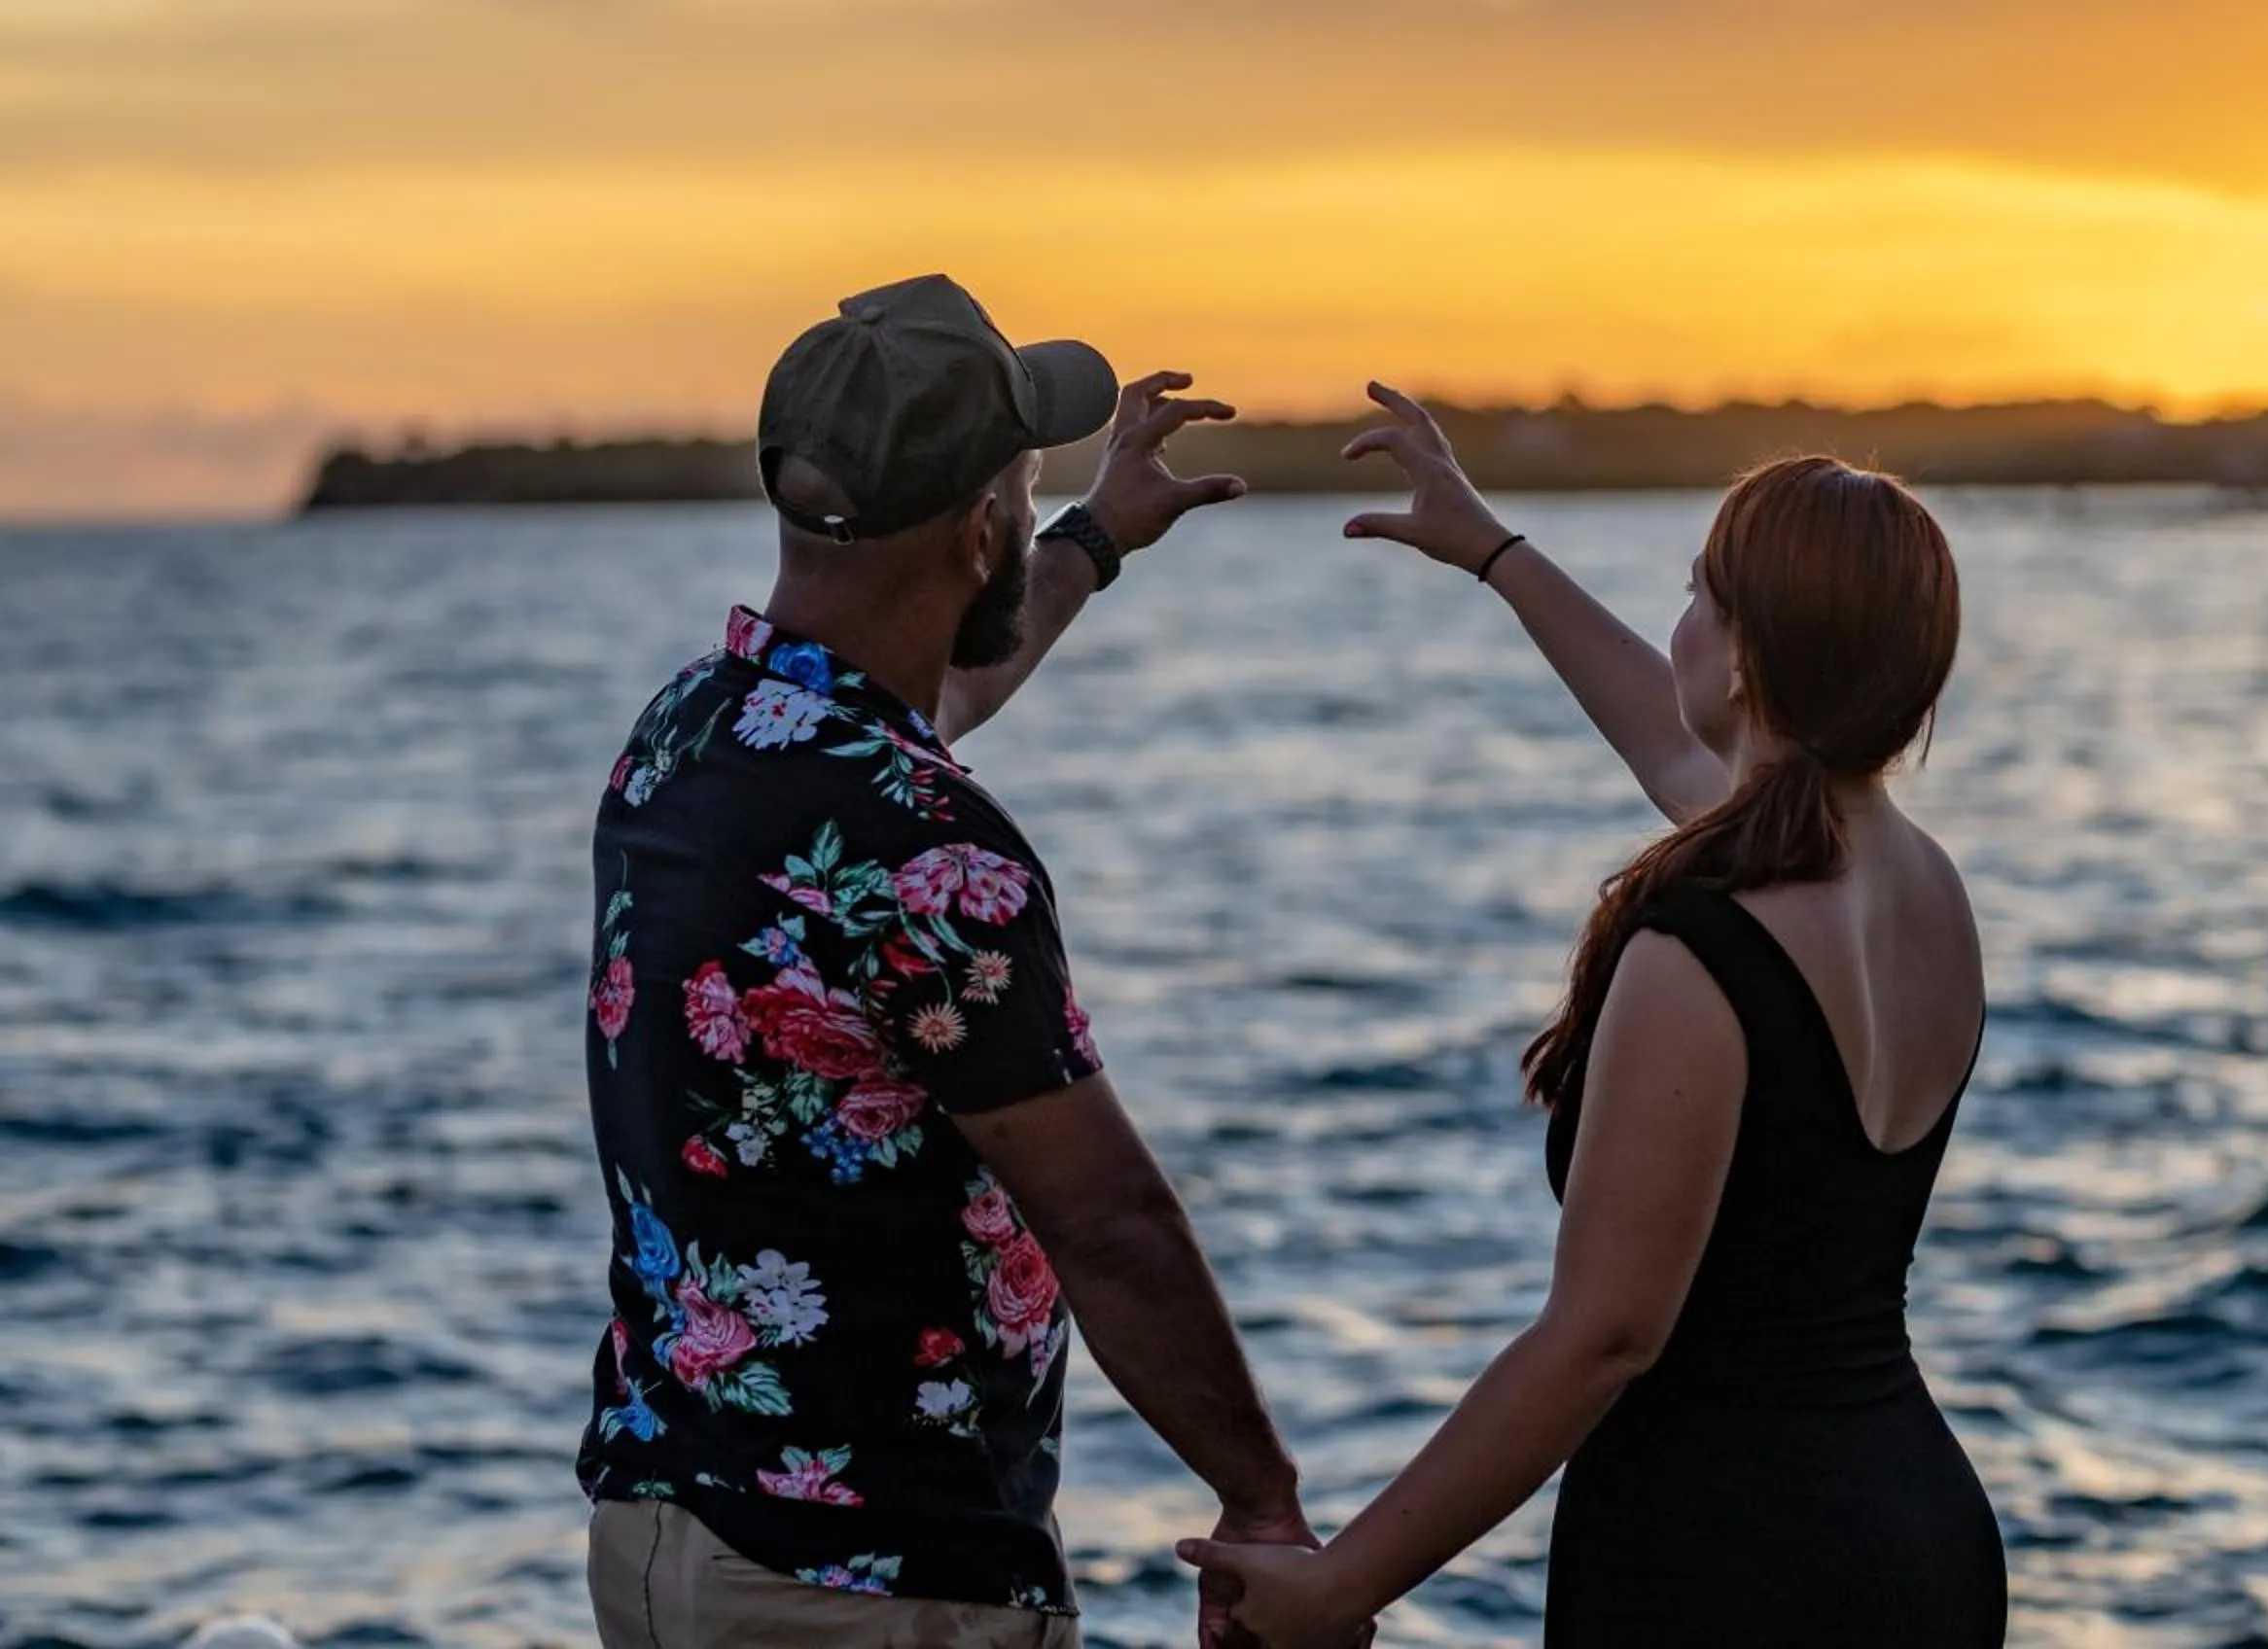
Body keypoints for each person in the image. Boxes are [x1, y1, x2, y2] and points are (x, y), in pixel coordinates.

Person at [1181, 384, 2005, 1648]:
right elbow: (1687, 761)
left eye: (1696, 596)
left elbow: (1605, 1336)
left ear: (1744, 655)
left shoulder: (1704, 948)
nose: (1679, 629)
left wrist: (1343, 1587)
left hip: (1725, 1562)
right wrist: (1495, 553)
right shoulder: (1927, 891)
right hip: (1920, 1536)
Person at [579, 273, 1314, 1649]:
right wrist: (1263, 1503)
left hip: (669, 1536)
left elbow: (930, 702)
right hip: (873, 1587)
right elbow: (1110, 1224)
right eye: (1028, 491)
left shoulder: (694, 730)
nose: (1032, 515)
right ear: (983, 530)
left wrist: (1096, 537)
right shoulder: (931, 850)